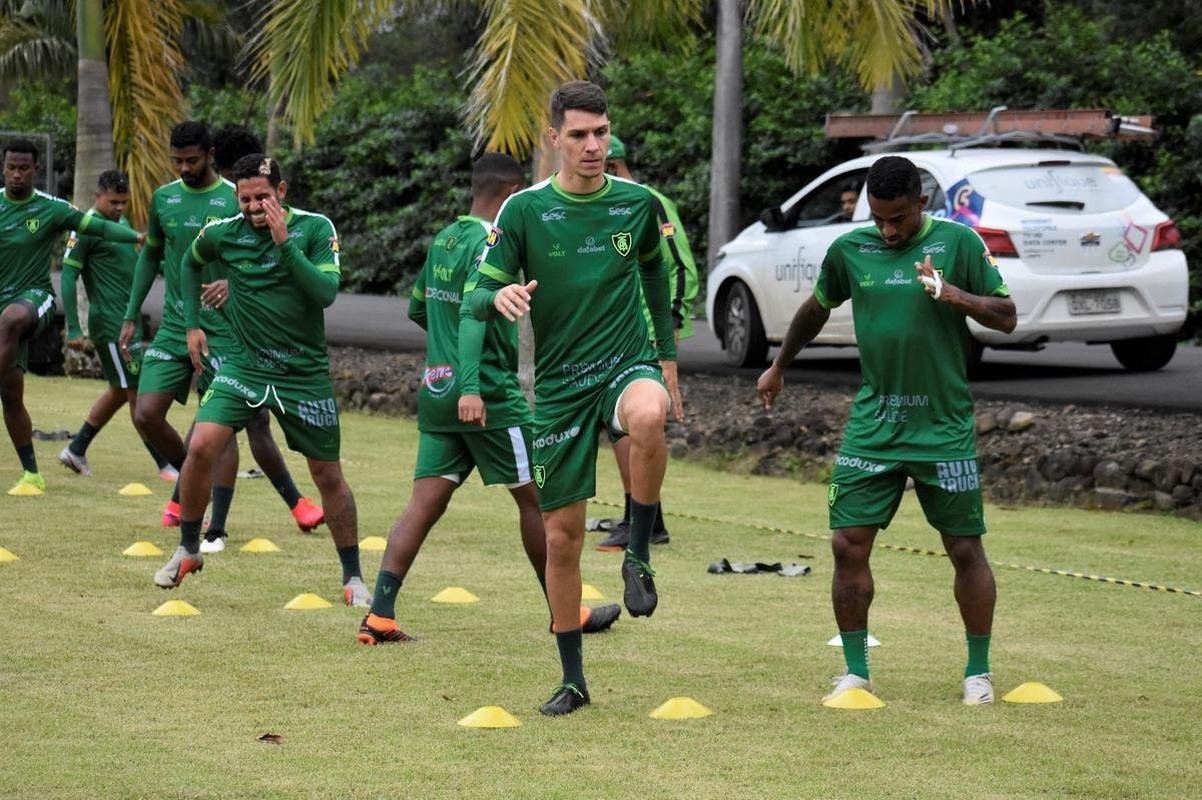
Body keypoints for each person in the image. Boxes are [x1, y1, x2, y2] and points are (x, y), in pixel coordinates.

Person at [755, 155, 1017, 706]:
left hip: (942, 426)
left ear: (921, 203)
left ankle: (978, 674)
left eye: (898, 218)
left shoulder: (959, 244)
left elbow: (1007, 315)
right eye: (879, 218)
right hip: (875, 423)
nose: (888, 229)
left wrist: (956, 296)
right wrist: (780, 365)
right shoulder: (851, 250)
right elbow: (816, 308)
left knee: (965, 548)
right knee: (846, 543)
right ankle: (856, 672)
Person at [465, 80, 684, 716]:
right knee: (561, 539)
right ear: (554, 138)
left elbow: (655, 270)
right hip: (557, 387)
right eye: (580, 134)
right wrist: (498, 297)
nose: (594, 145)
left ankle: (638, 551)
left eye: (602, 132)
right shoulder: (525, 211)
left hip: (626, 361)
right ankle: (572, 680)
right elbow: (479, 293)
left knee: (650, 413)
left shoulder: (638, 204)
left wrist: (665, 357)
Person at [356, 153, 621, 645]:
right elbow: (474, 315)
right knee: (539, 498)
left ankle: (380, 615)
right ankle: (565, 611)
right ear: (511, 193)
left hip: (438, 387)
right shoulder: (488, 241)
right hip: (487, 393)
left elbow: (421, 308)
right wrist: (473, 383)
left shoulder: (444, 238)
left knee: (423, 503)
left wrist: (448, 361)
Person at [154, 153, 369, 606]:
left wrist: (284, 242)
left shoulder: (315, 229)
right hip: (243, 367)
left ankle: (353, 578)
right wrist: (192, 323)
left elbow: (325, 293)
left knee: (327, 474)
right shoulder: (223, 233)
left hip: (302, 374)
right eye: (246, 198)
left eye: (263, 197)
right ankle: (189, 548)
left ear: (283, 192)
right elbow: (189, 264)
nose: (253, 207)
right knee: (200, 446)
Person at [120, 122, 322, 553]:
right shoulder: (164, 198)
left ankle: (218, 526)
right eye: (177, 160)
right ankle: (192, 483)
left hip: (231, 329)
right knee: (146, 413)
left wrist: (234, 283)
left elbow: (266, 252)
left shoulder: (241, 195)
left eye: (191, 159)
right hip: (179, 325)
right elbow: (153, 256)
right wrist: (131, 311)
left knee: (237, 425)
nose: (184, 167)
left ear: (210, 154)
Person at [0, 139, 143, 494]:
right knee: (11, 394)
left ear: (36, 170)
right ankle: (32, 474)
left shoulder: (52, 209)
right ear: (4, 168)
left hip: (33, 299)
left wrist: (137, 235)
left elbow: (98, 226)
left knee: (10, 319)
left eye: (24, 168)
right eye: (11, 168)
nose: (17, 174)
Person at [595, 133, 699, 552]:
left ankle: (640, 519)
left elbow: (679, 267)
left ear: (614, 165)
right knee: (618, 426)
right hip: (609, 334)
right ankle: (647, 517)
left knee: (634, 425)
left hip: (645, 336)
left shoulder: (645, 201)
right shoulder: (599, 205)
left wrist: (668, 328)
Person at [57, 170, 173, 479]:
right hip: (110, 324)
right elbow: (67, 276)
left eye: (123, 202)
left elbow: (133, 265)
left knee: (120, 391)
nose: (119, 208)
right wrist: (72, 327)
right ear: (97, 197)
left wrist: (172, 264)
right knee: (137, 393)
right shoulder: (85, 229)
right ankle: (165, 464)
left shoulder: (120, 225)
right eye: (113, 202)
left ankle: (75, 449)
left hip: (127, 321)